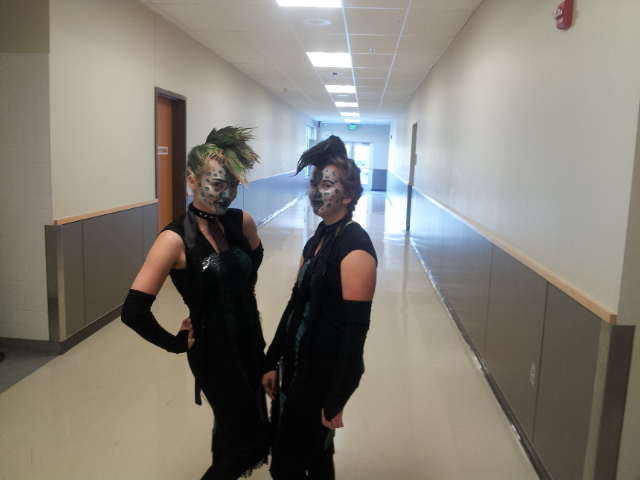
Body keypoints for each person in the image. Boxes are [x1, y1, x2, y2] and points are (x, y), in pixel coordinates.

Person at [121, 126, 270, 480]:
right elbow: (133, 311)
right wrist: (175, 342)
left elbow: (253, 261)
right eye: (217, 184)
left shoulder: (240, 223)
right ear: (192, 181)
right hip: (215, 356)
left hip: (251, 343)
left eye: (233, 185)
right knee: (243, 446)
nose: (227, 194)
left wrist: (242, 289)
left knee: (238, 432)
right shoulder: (174, 240)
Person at [262, 136, 377, 479]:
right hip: (297, 369)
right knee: (317, 457)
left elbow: (355, 332)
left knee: (285, 465)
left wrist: (336, 397)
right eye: (314, 184)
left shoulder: (355, 247)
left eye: (326, 185)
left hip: (322, 379)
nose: (315, 192)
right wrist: (272, 359)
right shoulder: (318, 239)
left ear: (348, 194)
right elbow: (295, 304)